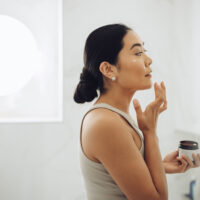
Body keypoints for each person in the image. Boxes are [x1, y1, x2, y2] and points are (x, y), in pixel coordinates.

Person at [73, 23, 200, 200]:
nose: (149, 60)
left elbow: (117, 173)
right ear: (109, 69)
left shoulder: (113, 116)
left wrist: (161, 166)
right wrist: (149, 133)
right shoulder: (106, 123)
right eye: (138, 53)